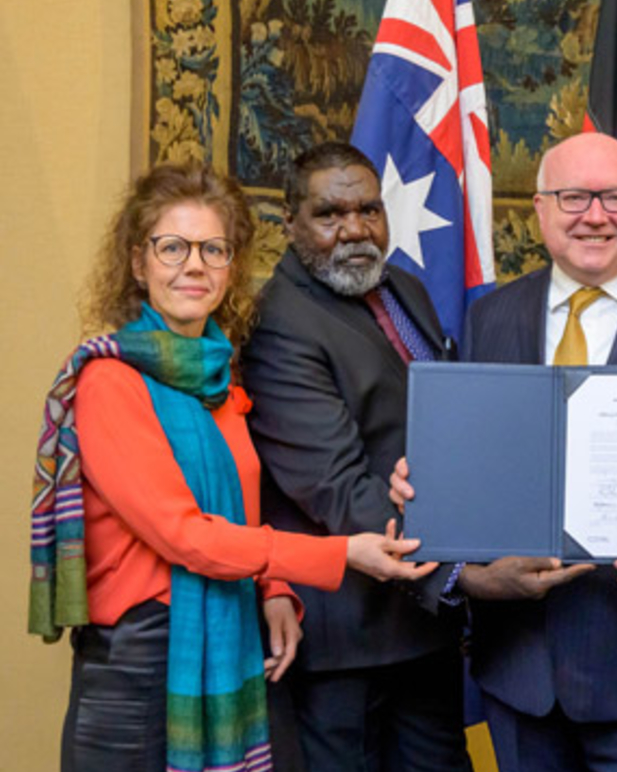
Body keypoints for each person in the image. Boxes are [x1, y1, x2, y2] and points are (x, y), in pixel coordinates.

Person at [28, 163, 436, 772]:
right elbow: (184, 535)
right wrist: (339, 554)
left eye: (213, 249)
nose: (194, 265)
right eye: (173, 248)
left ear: (232, 266)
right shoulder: (109, 382)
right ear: (139, 264)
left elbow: (245, 506)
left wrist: (272, 590)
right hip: (138, 667)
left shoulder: (220, 379)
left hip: (233, 638)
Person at [391, 132, 617, 772]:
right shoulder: (491, 317)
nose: (594, 215)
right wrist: (432, 488)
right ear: (539, 209)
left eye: (614, 196)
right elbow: (478, 466)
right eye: (574, 197)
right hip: (520, 670)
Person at [240, 143, 470, 771]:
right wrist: (459, 572)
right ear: (289, 224)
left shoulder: (403, 288)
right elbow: (337, 488)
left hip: (421, 632)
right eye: (330, 214)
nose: (354, 230)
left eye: (368, 210)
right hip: (346, 642)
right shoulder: (277, 324)